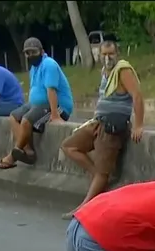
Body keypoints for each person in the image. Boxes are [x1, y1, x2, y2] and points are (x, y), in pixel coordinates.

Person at [60, 40, 145, 220]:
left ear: (118, 54)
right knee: (69, 146)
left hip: (113, 126)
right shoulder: (105, 73)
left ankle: (84, 207)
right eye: (104, 54)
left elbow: (137, 96)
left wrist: (138, 125)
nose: (107, 58)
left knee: (103, 171)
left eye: (111, 54)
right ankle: (98, 177)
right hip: (98, 122)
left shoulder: (123, 70)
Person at [0, 37, 74, 170]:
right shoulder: (33, 68)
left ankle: (13, 156)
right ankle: (28, 151)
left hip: (57, 106)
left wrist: (55, 115)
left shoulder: (49, 64)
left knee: (26, 120)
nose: (31, 55)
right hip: (38, 105)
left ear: (42, 51)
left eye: (34, 52)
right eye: (28, 53)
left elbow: (51, 90)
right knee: (14, 117)